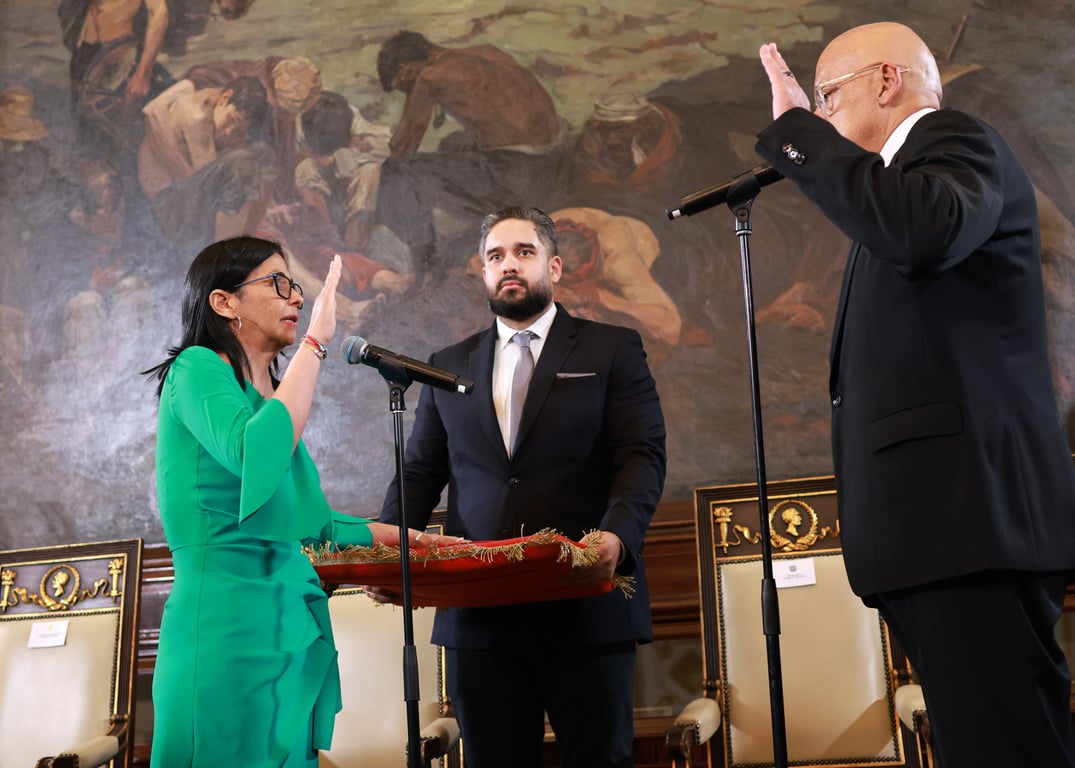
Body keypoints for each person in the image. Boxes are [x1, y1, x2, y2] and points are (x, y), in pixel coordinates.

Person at [755, 22, 1075, 767]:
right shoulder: (898, 188)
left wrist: (799, 135)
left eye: (828, 95)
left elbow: (922, 231)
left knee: (1008, 746)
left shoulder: (956, 141)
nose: (823, 113)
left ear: (886, 82)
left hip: (969, 525)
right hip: (938, 534)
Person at [369, 206, 667, 768]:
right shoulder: (444, 367)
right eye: (495, 256)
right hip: (480, 620)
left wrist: (617, 539)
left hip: (587, 605)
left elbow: (641, 455)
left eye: (524, 253)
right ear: (483, 274)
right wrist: (392, 557)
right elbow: (419, 475)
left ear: (554, 266)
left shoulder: (612, 348)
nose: (509, 265)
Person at [144, 236, 457, 766]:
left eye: (296, 286)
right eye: (278, 284)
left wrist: (406, 538)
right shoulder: (196, 368)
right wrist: (316, 343)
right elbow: (253, 454)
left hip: (286, 621)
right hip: (222, 627)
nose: (296, 298)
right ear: (224, 303)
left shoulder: (269, 396)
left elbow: (311, 525)